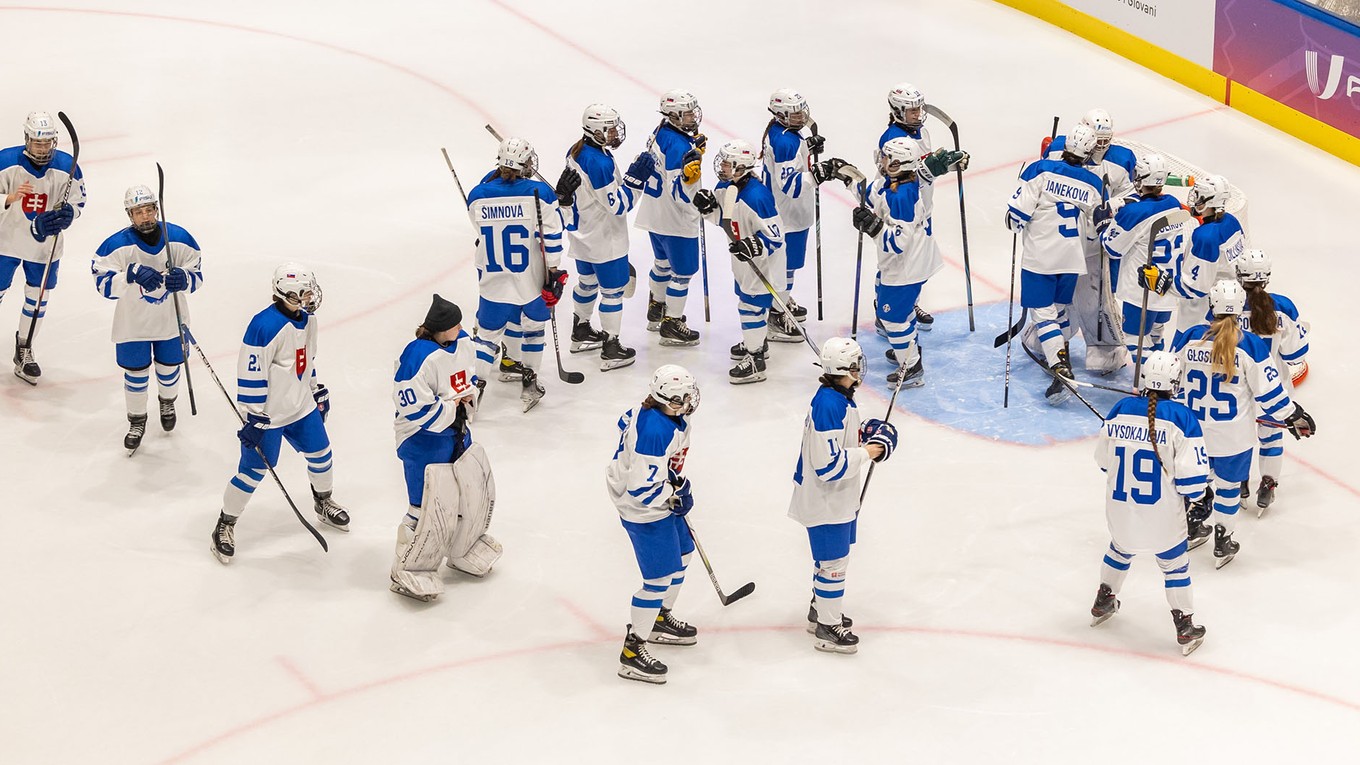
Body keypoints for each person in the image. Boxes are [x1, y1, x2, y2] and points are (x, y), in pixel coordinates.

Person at [210, 263, 349, 564]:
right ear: (288, 294)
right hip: (268, 417)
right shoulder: (264, 326)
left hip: (301, 407)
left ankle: (322, 502)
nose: (312, 297)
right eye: (306, 292)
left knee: (322, 455)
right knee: (252, 473)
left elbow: (307, 357)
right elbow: (250, 373)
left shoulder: (308, 319)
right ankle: (225, 523)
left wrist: (314, 388)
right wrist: (254, 416)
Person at [1171, 280, 1315, 566]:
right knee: (1228, 488)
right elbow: (1271, 394)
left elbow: (1170, 383)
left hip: (1193, 434)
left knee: (1197, 481)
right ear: (1239, 310)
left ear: (1211, 307)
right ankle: (1223, 541)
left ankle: (1192, 525)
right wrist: (1293, 414)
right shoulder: (1248, 345)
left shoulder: (1189, 337)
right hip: (1232, 437)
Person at [1089, 350, 1210, 656]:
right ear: (1174, 381)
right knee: (1174, 565)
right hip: (1163, 519)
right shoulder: (1182, 418)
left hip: (1120, 513)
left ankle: (1104, 598)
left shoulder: (1119, 410)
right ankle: (1184, 624)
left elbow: (1103, 461)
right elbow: (1192, 482)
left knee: (1120, 548)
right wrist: (1203, 498)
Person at [389, 295, 501, 601]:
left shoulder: (462, 341)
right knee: (423, 506)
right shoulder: (417, 356)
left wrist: (467, 398)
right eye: (455, 323)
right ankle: (406, 566)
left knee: (468, 493)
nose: (462, 327)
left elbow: (470, 377)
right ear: (441, 329)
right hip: (422, 440)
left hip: (456, 431)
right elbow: (412, 407)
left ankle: (461, 550)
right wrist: (452, 408)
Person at [788, 337, 896, 654]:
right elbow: (829, 467)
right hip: (826, 499)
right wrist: (868, 451)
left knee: (829, 560)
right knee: (834, 563)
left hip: (836, 499)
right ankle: (826, 626)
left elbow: (840, 439)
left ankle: (819, 609)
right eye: (855, 365)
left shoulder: (838, 398)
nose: (860, 369)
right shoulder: (829, 405)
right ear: (842, 369)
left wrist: (864, 432)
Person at [606, 364, 702, 684]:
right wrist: (672, 493)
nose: (691, 399)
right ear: (669, 400)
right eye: (684, 396)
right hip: (643, 509)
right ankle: (633, 651)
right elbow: (642, 489)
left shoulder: (661, 414)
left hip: (655, 496)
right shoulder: (656, 431)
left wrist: (673, 482)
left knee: (684, 554)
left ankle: (658, 617)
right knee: (658, 579)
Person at [91, 185, 203, 453]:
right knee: (136, 372)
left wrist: (184, 278)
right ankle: (137, 419)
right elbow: (101, 283)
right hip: (133, 325)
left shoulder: (178, 237)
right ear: (130, 215)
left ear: (156, 209)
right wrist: (128, 275)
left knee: (168, 367)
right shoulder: (116, 245)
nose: (145, 216)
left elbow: (197, 273)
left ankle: (167, 401)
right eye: (138, 212)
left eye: (149, 210)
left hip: (171, 320)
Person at [467, 137, 574, 402]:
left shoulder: (477, 194)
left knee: (487, 336)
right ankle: (530, 382)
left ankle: (475, 390)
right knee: (534, 327)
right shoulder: (539, 193)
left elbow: (481, 232)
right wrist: (553, 272)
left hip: (493, 279)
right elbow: (551, 237)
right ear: (525, 163)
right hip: (532, 280)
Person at [1005, 123, 1105, 404]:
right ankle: (1060, 356)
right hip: (1072, 258)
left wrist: (1014, 220)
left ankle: (1059, 369)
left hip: (1041, 257)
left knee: (1043, 314)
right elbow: (1096, 226)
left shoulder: (1041, 170)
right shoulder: (1093, 183)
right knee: (1058, 311)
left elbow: (1015, 217)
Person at [852, 137, 964, 388]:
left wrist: (873, 227)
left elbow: (897, 242)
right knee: (902, 312)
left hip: (905, 267)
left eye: (885, 157)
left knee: (893, 318)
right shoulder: (895, 182)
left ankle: (911, 366)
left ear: (896, 164)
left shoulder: (902, 196)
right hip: (912, 261)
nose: (880, 160)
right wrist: (848, 178)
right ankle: (908, 348)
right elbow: (871, 194)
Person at [1033, 108, 1138, 374]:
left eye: (1106, 140)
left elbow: (1132, 197)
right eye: (1096, 139)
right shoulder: (1059, 150)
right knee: (1059, 299)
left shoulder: (1122, 159)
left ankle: (1104, 349)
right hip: (1062, 242)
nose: (1101, 145)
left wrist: (1112, 205)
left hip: (1093, 244)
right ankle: (1054, 344)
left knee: (1095, 299)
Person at [562, 105, 657, 356]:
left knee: (587, 283)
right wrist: (636, 180)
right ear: (595, 131)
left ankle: (580, 330)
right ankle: (611, 346)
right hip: (605, 240)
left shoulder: (578, 151)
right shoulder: (598, 162)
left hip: (583, 234)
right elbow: (617, 205)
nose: (615, 133)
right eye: (610, 129)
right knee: (613, 293)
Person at [1, 111, 87, 383]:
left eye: (47, 142)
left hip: (43, 247)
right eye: (38, 142)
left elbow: (79, 201)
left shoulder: (66, 165)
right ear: (27, 139)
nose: (43, 148)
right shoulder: (5, 160)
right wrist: (9, 198)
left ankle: (24, 348)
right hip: (5, 242)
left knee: (38, 297)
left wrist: (69, 215)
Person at [693, 140, 785, 384]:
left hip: (763, 264)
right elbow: (725, 220)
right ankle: (758, 342)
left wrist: (754, 245)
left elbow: (776, 237)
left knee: (750, 307)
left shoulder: (757, 197)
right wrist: (708, 208)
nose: (721, 167)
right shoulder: (726, 186)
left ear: (741, 167)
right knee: (746, 302)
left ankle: (756, 360)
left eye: (726, 163)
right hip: (742, 262)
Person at [877, 83, 965, 332]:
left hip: (922, 206)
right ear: (897, 111)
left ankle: (908, 304)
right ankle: (884, 311)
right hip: (899, 205)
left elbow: (923, 167)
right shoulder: (892, 139)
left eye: (918, 109)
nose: (917, 114)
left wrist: (948, 164)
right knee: (893, 260)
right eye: (911, 111)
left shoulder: (922, 133)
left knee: (916, 262)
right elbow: (895, 176)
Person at [1101, 153, 1195, 372]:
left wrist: (1104, 223)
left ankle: (1152, 381)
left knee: (1136, 341)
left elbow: (1111, 248)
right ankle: (1164, 373)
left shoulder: (1134, 213)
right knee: (1156, 333)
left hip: (1141, 289)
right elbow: (1149, 211)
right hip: (1167, 286)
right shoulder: (1172, 203)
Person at [1235, 251, 1309, 512]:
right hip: (1273, 388)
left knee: (1240, 439)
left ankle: (1239, 482)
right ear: (1266, 278)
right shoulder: (1284, 307)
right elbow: (1294, 355)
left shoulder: (1225, 305)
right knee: (1271, 437)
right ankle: (1268, 484)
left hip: (1237, 388)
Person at [634, 90, 706, 340]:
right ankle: (672, 323)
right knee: (683, 273)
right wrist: (692, 189)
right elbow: (680, 193)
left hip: (655, 215)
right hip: (676, 221)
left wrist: (692, 148)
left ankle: (657, 308)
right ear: (673, 115)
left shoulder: (660, 132)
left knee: (662, 265)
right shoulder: (678, 145)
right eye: (686, 113)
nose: (692, 117)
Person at [1170, 175, 1246, 333]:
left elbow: (1194, 288)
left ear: (1210, 200)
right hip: (1227, 303)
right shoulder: (1232, 221)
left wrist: (1162, 283)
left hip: (1201, 313)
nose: (1195, 198)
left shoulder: (1205, 237)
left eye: (1198, 195)